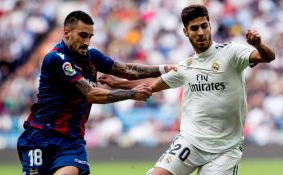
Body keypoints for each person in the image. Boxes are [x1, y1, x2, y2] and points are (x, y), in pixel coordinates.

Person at [99, 4, 275, 175]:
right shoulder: (186, 66)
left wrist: (258, 44)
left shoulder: (231, 52)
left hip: (225, 149)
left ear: (210, 26)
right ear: (185, 32)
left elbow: (268, 57)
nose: (200, 32)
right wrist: (118, 83)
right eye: (194, 28)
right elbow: (151, 86)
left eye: (204, 26)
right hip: (190, 141)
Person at [17, 10, 174, 175]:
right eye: (83, 35)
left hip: (71, 141)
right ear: (66, 33)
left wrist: (162, 69)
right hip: (40, 136)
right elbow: (90, 94)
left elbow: (128, 70)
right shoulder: (56, 59)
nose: (87, 42)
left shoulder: (91, 57)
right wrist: (131, 94)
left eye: (90, 37)